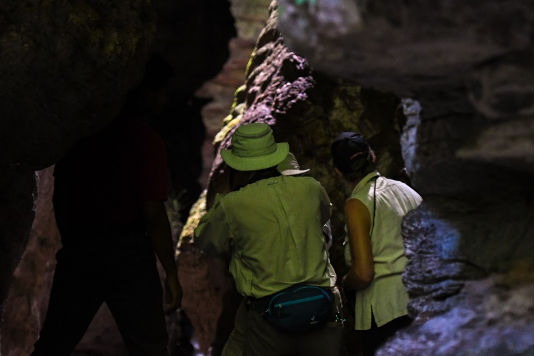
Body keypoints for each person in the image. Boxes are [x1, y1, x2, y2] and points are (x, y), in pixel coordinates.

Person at [31, 54, 183, 356]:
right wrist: (171, 273)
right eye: (162, 93)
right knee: (150, 347)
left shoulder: (83, 136)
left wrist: (73, 241)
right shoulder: (147, 142)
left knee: (53, 345)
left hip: (81, 249)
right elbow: (153, 213)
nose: (164, 101)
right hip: (128, 253)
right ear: (147, 94)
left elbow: (61, 194)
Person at [194, 123, 344, 356]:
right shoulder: (311, 188)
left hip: (270, 315)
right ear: (276, 156)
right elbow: (324, 217)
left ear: (238, 165)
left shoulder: (232, 205)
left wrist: (224, 200)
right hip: (324, 305)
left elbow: (206, 242)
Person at [330, 132, 423, 356]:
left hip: (386, 314)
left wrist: (345, 282)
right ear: (373, 157)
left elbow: (363, 274)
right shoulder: (408, 192)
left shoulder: (357, 204)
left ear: (338, 170)